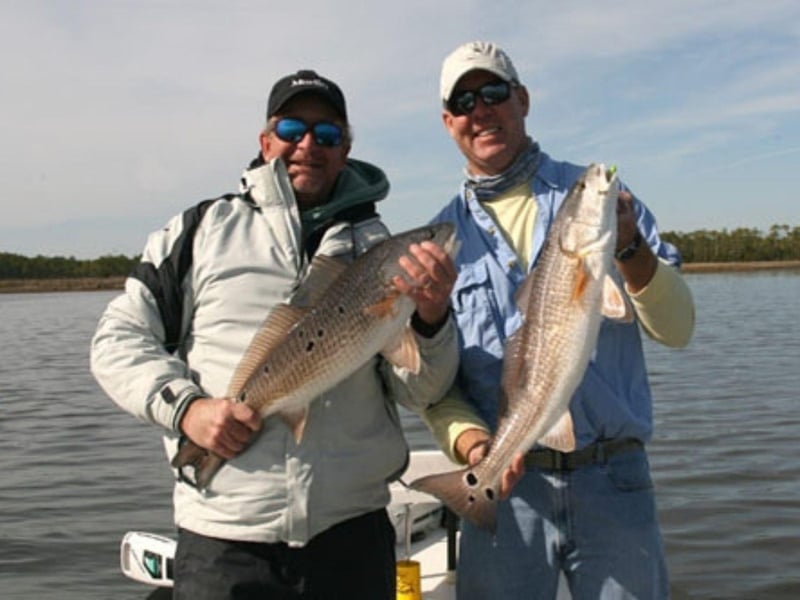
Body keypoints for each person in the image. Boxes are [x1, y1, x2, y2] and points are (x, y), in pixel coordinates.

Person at [90, 69, 459, 600]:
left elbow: (422, 391)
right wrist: (187, 409)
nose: (309, 145)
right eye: (292, 128)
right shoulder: (199, 231)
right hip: (225, 541)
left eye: (327, 134)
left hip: (352, 537)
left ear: (346, 148)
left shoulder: (383, 249)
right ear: (266, 142)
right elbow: (116, 339)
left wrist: (430, 318)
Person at [422, 41, 695, 599]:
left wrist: (628, 248)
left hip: (613, 479)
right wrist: (476, 450)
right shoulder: (437, 244)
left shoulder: (607, 203)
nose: (482, 110)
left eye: (494, 92)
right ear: (449, 122)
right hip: (506, 487)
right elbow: (433, 387)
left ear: (521, 100)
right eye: (465, 101)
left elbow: (677, 329)